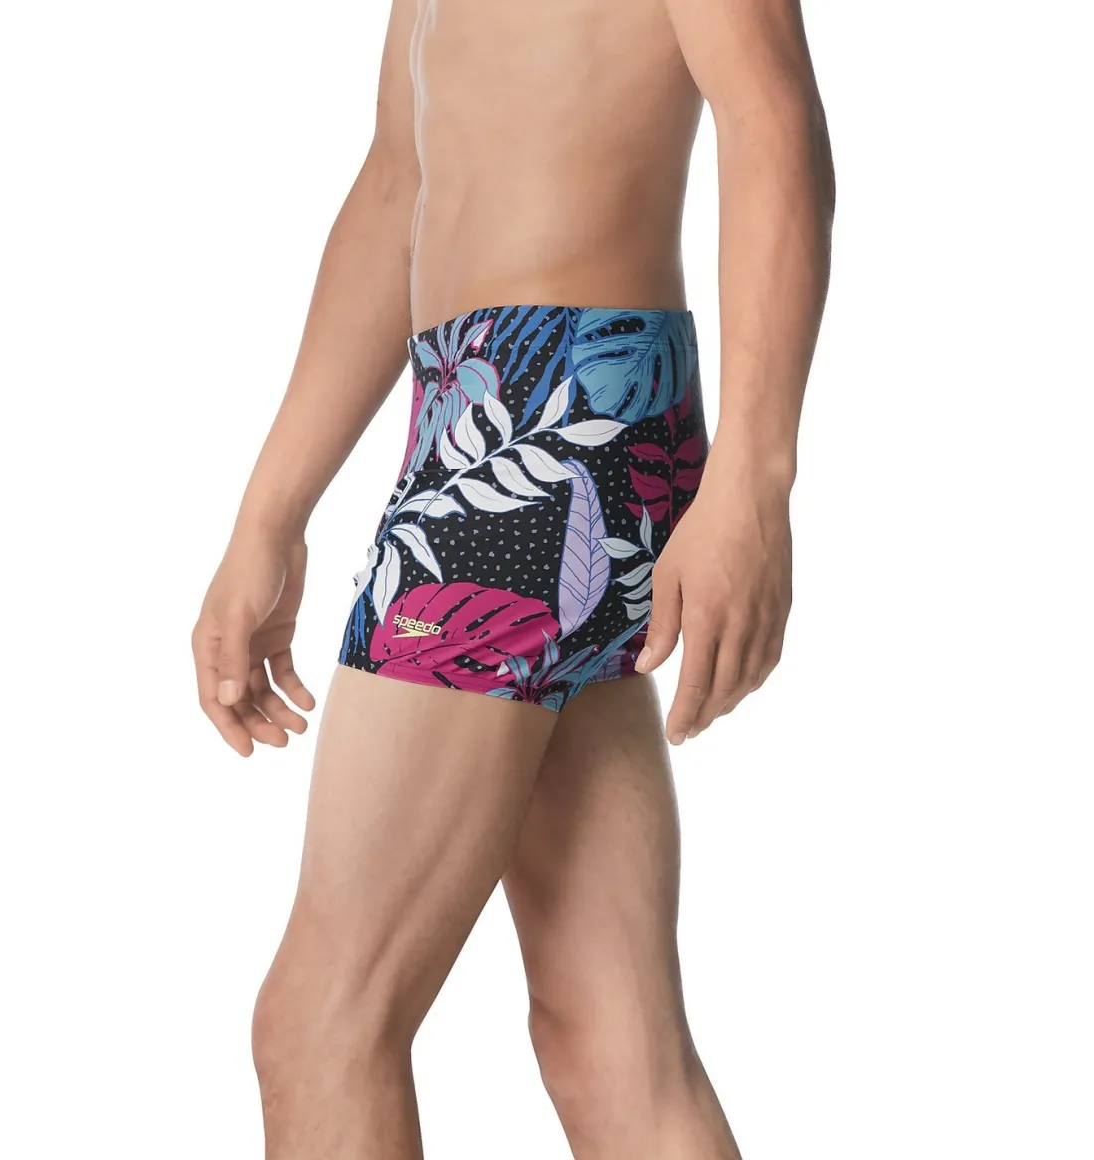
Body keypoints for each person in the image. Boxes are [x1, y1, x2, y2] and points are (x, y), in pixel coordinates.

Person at [192, 0, 833, 1155]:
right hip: (484, 413)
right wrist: (267, 515)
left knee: (321, 1021)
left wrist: (755, 477)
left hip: (552, 418)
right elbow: (396, 186)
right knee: (609, 1037)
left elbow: (769, 116)